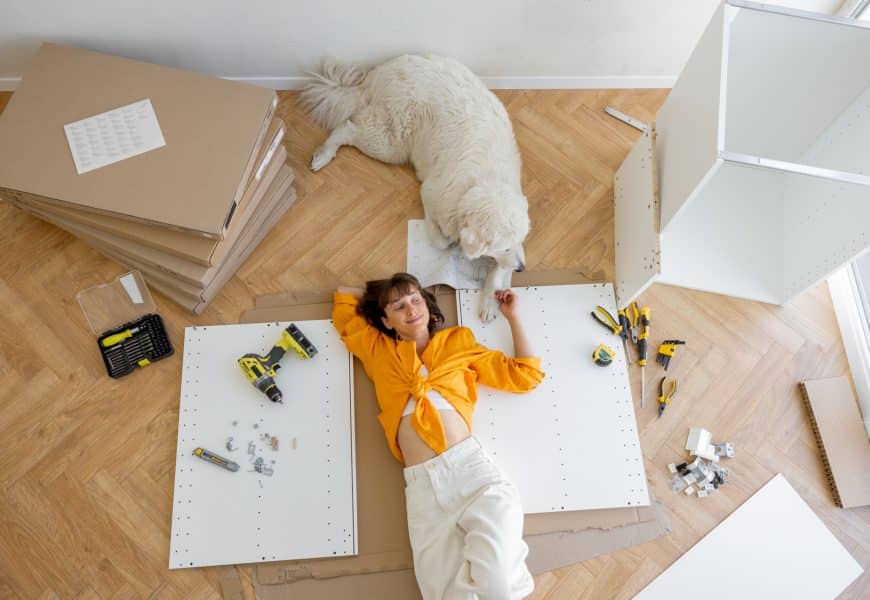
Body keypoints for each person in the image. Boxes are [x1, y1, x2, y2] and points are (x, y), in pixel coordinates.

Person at [332, 273, 544, 600]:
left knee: (497, 584)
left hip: (472, 475)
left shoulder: (458, 343)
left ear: (430, 309)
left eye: (416, 299)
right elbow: (344, 300)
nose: (410, 309)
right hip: (424, 491)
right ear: (386, 321)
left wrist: (513, 318)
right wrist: (379, 294)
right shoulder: (377, 350)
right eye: (398, 306)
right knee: (444, 594)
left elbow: (525, 375)